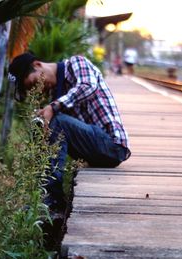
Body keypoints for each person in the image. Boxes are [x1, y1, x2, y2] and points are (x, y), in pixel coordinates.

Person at [8, 52, 131, 212]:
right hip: (93, 150)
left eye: (33, 83)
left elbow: (88, 86)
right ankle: (40, 194)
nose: (38, 89)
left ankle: (53, 200)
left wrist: (53, 107)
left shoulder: (75, 64)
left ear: (38, 65)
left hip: (112, 145)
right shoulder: (56, 95)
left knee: (55, 120)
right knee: (44, 123)